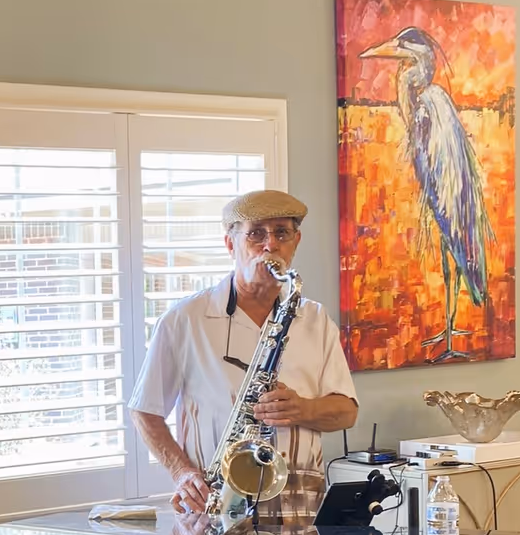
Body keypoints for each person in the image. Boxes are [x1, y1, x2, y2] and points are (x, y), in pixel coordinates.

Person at [129, 189, 358, 514]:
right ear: (230, 244)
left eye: (282, 233)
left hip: (301, 505)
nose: (270, 245)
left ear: (296, 242)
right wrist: (182, 474)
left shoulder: (315, 318)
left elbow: (347, 412)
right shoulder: (185, 319)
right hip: (217, 500)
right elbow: (144, 411)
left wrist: (302, 409)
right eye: (256, 234)